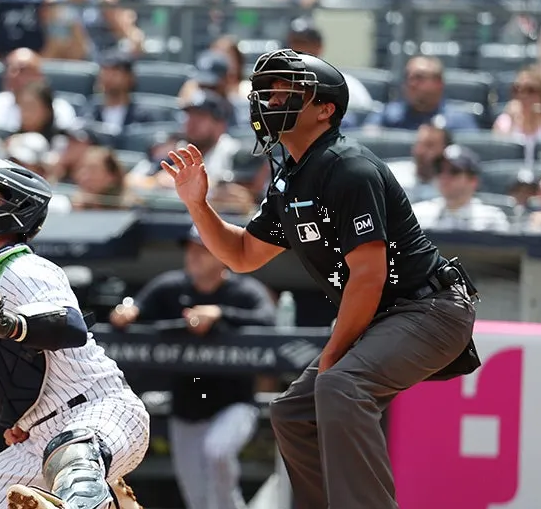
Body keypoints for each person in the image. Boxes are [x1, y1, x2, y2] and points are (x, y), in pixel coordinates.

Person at [162, 48, 479, 509]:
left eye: (287, 92)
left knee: (339, 385)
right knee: (293, 414)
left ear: (325, 109)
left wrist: (332, 354)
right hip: (390, 315)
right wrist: (197, 204)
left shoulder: (348, 167)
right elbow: (243, 255)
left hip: (430, 309)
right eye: (269, 93)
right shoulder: (292, 179)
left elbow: (368, 276)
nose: (272, 100)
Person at [0, 155, 150, 509]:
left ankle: (91, 495)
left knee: (73, 466)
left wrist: (6, 322)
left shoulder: (24, 267)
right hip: (37, 440)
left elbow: (70, 326)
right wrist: (19, 420)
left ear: (16, 208)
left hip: (100, 413)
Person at [109, 225, 275, 509]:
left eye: (203, 250)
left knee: (217, 452)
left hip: (234, 404)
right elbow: (135, 307)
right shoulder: (171, 286)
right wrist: (127, 311)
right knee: (196, 496)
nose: (194, 256)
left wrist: (220, 313)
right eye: (191, 249)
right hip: (186, 407)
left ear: (222, 256)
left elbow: (268, 319)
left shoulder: (243, 291)